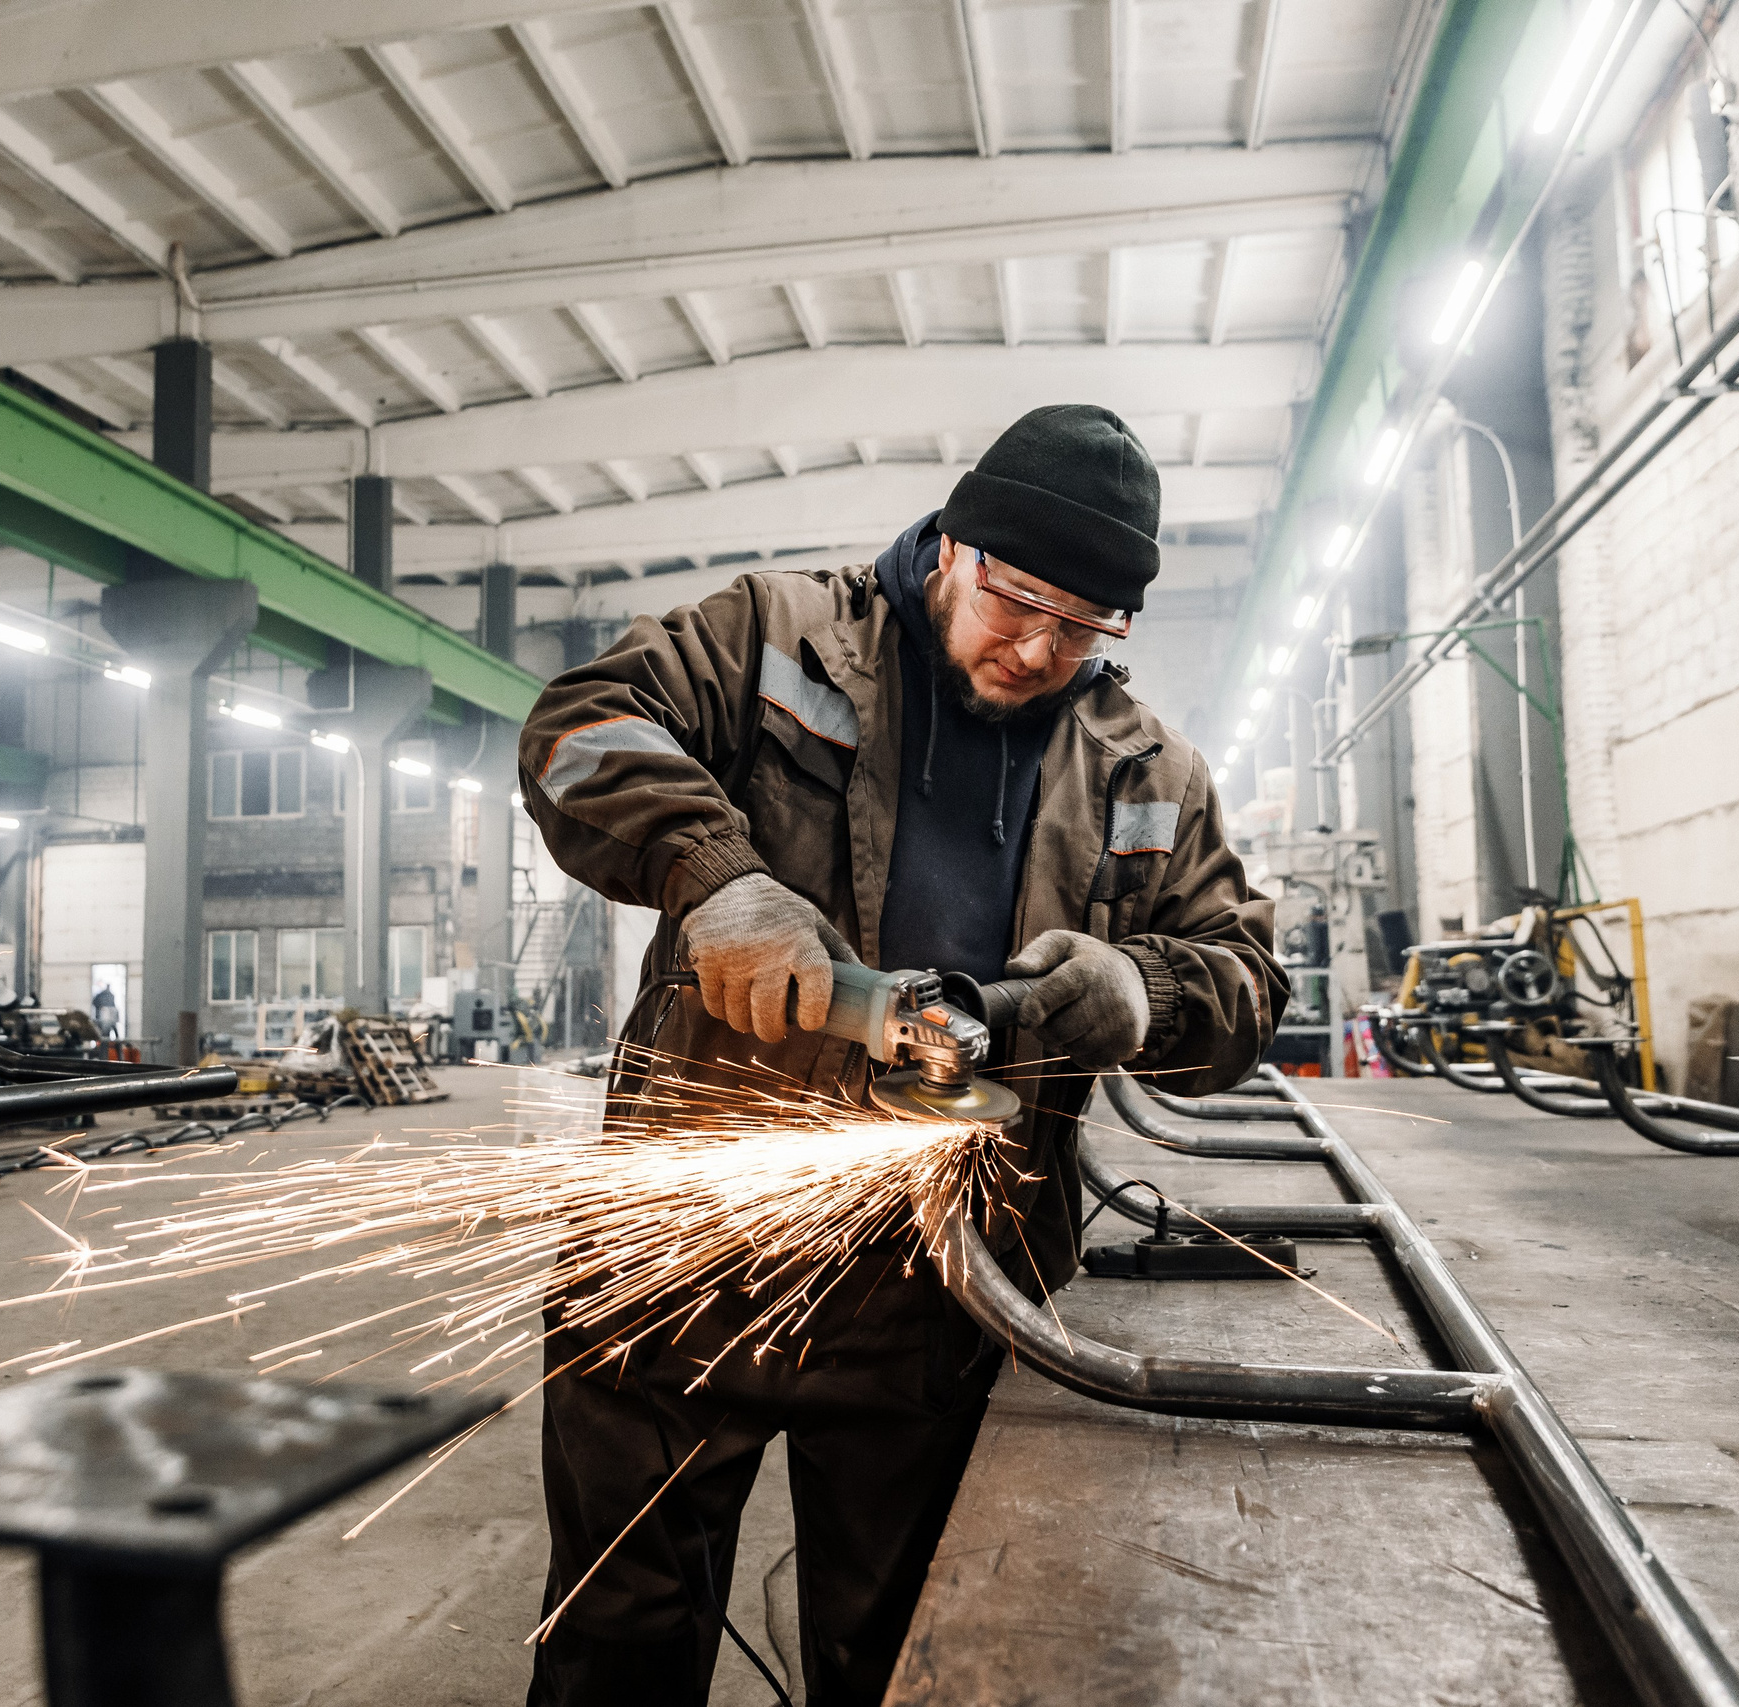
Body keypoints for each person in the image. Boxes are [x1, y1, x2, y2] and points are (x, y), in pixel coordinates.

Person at [516, 403, 1288, 1706]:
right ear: (950, 546)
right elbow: (584, 728)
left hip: (946, 1284)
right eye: (1018, 599)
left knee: (904, 1663)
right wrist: (715, 881)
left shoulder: (1149, 772)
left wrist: (1141, 993)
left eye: (1084, 627)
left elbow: (1250, 980)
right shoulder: (772, 636)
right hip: (685, 1258)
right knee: (619, 1640)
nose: (1039, 647)